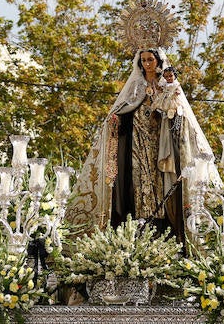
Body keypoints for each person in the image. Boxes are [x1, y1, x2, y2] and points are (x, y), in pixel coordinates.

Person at [69, 48, 215, 241]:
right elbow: (124, 108)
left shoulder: (166, 84)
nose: (147, 64)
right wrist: (115, 120)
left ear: (158, 61)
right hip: (137, 140)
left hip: (161, 143)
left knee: (161, 181)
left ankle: (161, 224)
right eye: (144, 60)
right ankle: (140, 221)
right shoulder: (135, 86)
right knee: (138, 178)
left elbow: (179, 112)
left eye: (150, 60)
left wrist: (170, 107)